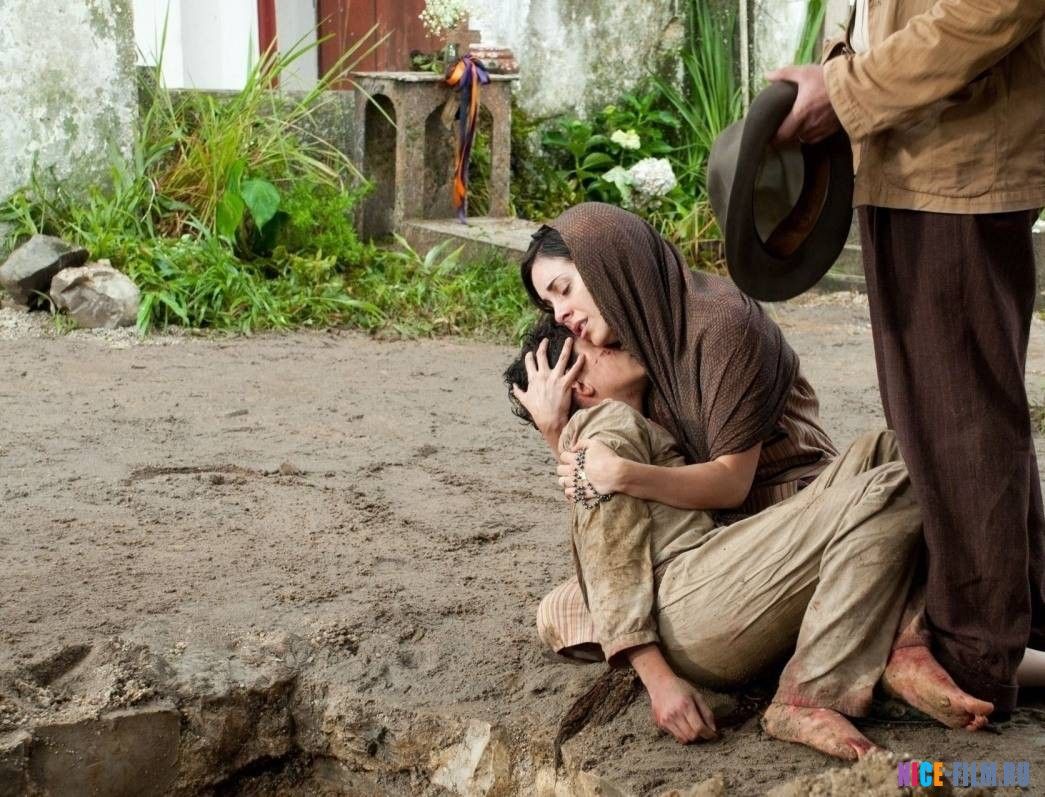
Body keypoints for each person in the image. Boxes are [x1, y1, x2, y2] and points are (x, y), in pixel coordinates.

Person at [504, 317, 994, 760]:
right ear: (579, 383)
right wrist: (659, 682)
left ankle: (903, 644)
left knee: (884, 449)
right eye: (598, 347)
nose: (617, 340)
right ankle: (808, 696)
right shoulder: (603, 426)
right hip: (692, 603)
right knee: (898, 482)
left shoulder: (639, 420)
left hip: (709, 582)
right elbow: (608, 556)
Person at [766, 2, 1045, 715]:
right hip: (904, 147)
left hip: (954, 155)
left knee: (959, 420)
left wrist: (846, 90)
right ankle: (1022, 623)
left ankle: (975, 656)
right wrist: (838, 71)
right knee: (945, 413)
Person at [513, 203, 837, 525]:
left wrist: (622, 474)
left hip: (800, 506)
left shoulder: (725, 327)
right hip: (713, 526)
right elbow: (599, 496)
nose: (559, 314)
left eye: (564, 290)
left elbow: (731, 484)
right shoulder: (633, 346)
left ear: (607, 264)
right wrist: (555, 428)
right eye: (550, 305)